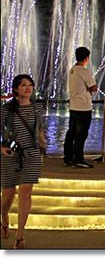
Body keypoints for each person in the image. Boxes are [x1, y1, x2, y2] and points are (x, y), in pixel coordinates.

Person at [1, 75, 46, 249]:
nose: (27, 88)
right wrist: (1, 148)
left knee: (26, 190)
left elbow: (39, 127)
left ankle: (19, 235)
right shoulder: (7, 109)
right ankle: (4, 218)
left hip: (32, 154)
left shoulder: (37, 108)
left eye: (30, 85)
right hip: (10, 154)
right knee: (8, 194)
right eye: (23, 85)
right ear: (16, 89)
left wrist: (42, 143)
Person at [63, 47, 98, 169]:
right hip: (83, 107)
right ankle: (78, 159)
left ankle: (68, 158)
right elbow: (94, 88)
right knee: (81, 135)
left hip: (74, 106)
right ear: (86, 58)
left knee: (71, 133)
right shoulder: (85, 72)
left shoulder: (72, 70)